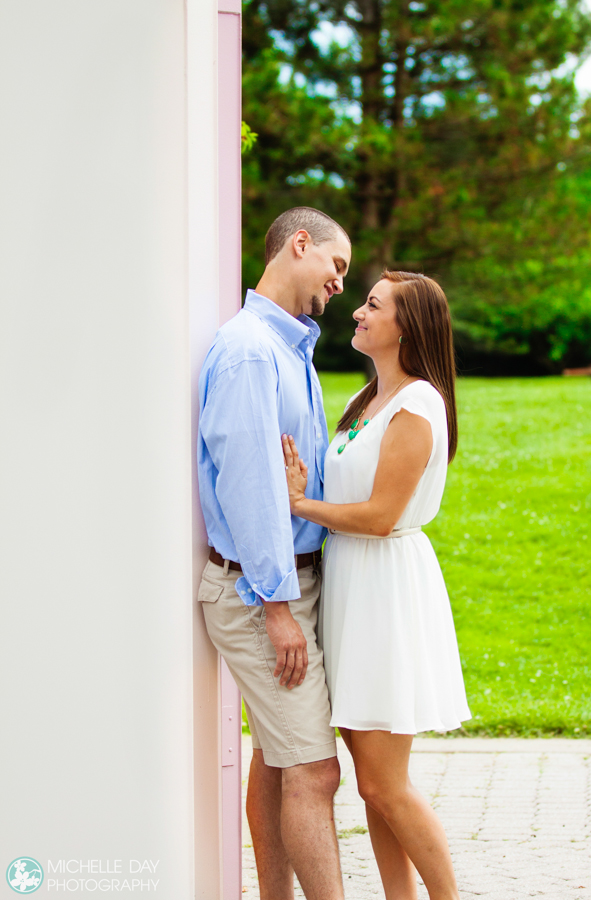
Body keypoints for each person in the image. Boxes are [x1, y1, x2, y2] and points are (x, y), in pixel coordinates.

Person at [282, 270, 471, 900]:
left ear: (406, 326)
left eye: (372, 305)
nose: (357, 312)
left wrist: (299, 504)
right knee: (371, 780)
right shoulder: (367, 400)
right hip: (351, 588)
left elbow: (381, 515)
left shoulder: (418, 404)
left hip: (387, 591)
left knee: (385, 783)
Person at [197, 207, 352, 900]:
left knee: (280, 760)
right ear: (298, 245)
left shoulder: (287, 349)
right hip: (262, 593)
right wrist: (278, 606)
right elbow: (253, 488)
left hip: (282, 585)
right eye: (337, 265)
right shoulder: (253, 351)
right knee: (316, 772)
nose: (340, 283)